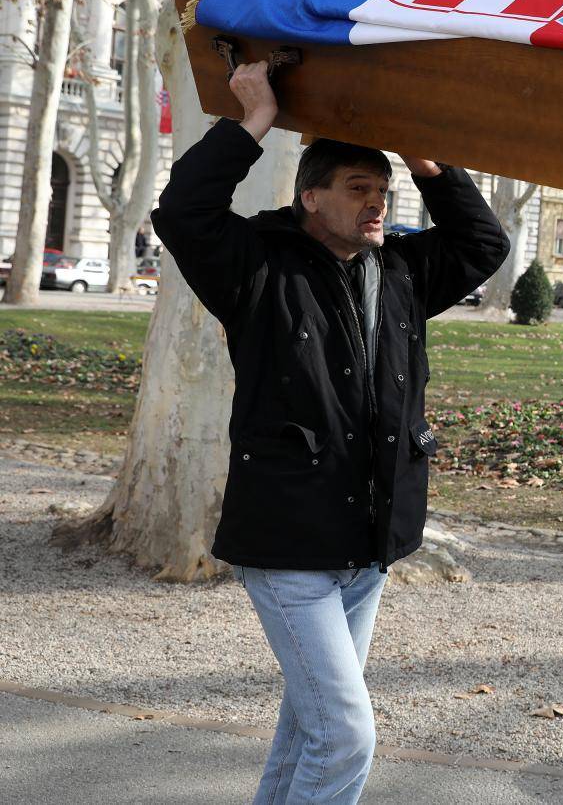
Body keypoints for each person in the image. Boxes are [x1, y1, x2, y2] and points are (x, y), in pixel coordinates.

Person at [150, 61, 509, 804]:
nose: (377, 205)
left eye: (383, 192)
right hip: (289, 548)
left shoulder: (402, 269)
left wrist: (423, 156)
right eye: (358, 191)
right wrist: (251, 119)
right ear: (310, 196)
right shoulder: (256, 267)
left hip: (368, 545)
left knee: (308, 729)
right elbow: (183, 213)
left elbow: (482, 245)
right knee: (345, 736)